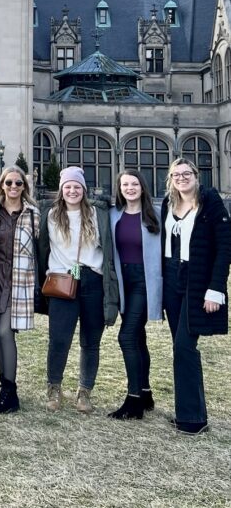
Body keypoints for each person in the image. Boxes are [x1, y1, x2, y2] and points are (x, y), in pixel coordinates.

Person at [36, 166, 118, 414]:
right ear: (62, 190)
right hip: (63, 280)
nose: (72, 190)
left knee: (91, 341)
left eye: (77, 186)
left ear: (84, 189)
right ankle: (54, 387)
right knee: (59, 339)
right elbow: (41, 249)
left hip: (93, 280)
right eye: (68, 186)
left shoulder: (98, 213)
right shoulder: (49, 215)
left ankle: (84, 392)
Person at [161, 158, 231, 435]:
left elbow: (225, 247)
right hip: (171, 277)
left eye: (186, 173)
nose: (181, 178)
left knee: (184, 347)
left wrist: (216, 290)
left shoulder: (210, 201)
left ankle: (193, 418)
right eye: (176, 174)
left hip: (196, 280)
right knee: (180, 349)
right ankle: (187, 411)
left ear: (196, 176)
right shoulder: (169, 203)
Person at [0, 165, 40, 415]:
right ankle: (5, 388)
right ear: (2, 185)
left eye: (18, 183)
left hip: (19, 280)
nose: (14, 187)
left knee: (7, 332)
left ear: (24, 187)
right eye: (9, 183)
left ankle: (10, 390)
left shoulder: (33, 215)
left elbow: (42, 250)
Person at [108, 170, 162, 420]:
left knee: (127, 336)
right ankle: (146, 392)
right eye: (124, 184)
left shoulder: (156, 215)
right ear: (119, 188)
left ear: (143, 187)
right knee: (138, 337)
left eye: (134, 184)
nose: (129, 188)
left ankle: (133, 401)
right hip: (123, 282)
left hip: (144, 281)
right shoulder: (113, 215)